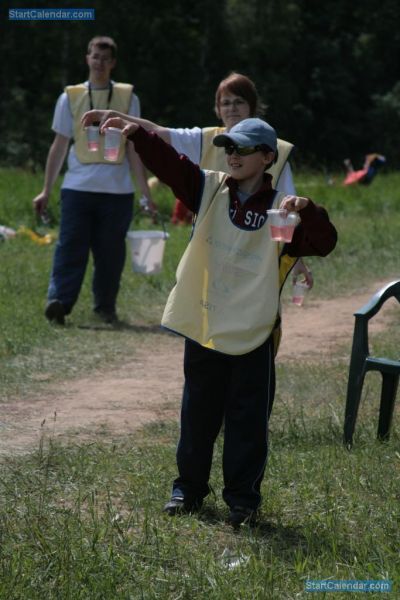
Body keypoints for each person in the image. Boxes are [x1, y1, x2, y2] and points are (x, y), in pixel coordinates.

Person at [83, 113, 337, 526]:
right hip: (206, 325)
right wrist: (136, 135)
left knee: (247, 422)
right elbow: (170, 165)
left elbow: (325, 243)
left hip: (254, 333)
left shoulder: (283, 210)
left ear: (267, 157)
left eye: (242, 149)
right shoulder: (209, 188)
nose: (232, 156)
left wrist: (308, 210)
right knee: (197, 414)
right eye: (228, 148)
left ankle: (243, 501)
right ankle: (187, 491)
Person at [82, 71, 313, 287]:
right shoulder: (205, 140)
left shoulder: (275, 151)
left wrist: (296, 257)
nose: (232, 108)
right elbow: (158, 133)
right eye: (225, 102)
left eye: (239, 101)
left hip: (256, 257)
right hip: (212, 253)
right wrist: (115, 116)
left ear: (252, 107)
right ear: (217, 109)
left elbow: (289, 210)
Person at [33, 36, 155, 325]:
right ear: (87, 59)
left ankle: (105, 307)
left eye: (105, 58)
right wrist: (46, 190)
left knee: (110, 253)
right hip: (77, 188)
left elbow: (135, 148)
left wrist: (145, 192)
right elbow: (59, 145)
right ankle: (59, 303)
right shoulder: (70, 97)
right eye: (94, 56)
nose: (99, 62)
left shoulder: (129, 98)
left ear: (113, 63)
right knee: (70, 246)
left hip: (117, 191)